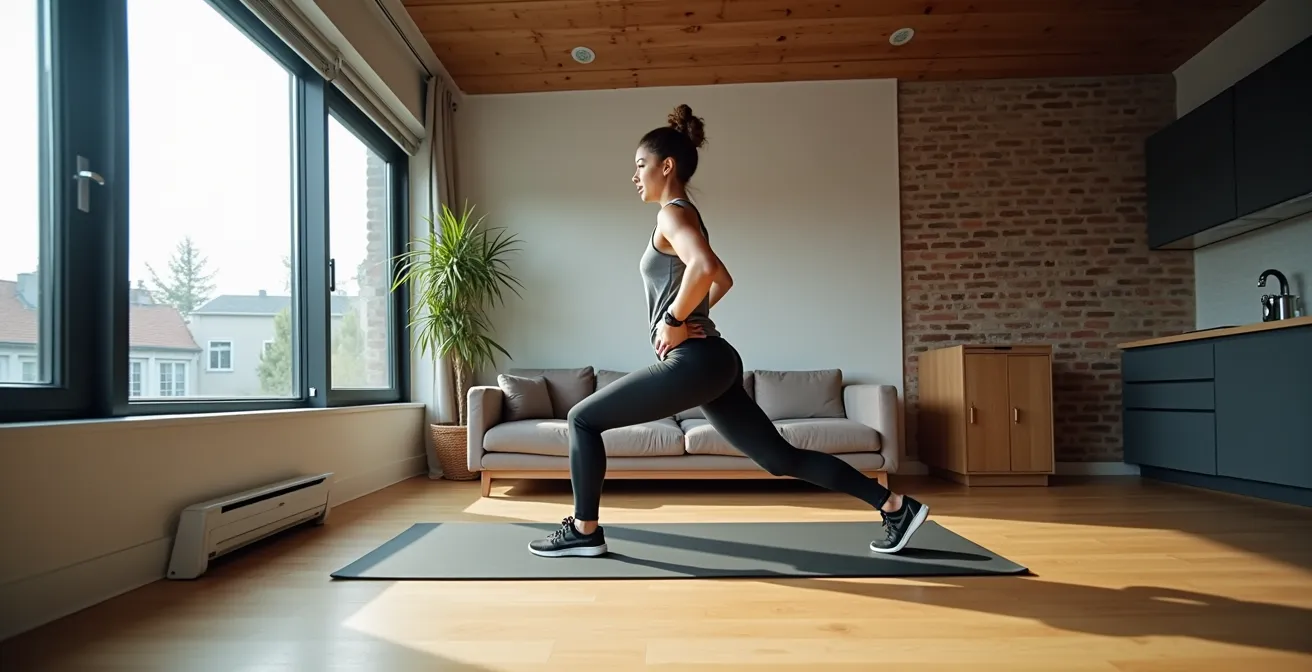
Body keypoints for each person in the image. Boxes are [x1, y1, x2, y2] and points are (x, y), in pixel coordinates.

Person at [528, 104, 929, 558]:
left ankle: (584, 531)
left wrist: (676, 322)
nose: (635, 176)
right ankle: (895, 506)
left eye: (640, 165)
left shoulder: (671, 216)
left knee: (582, 419)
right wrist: (689, 319)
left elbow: (704, 268)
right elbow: (721, 277)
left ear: (666, 166)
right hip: (713, 360)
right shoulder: (686, 215)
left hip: (697, 361)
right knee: (779, 458)